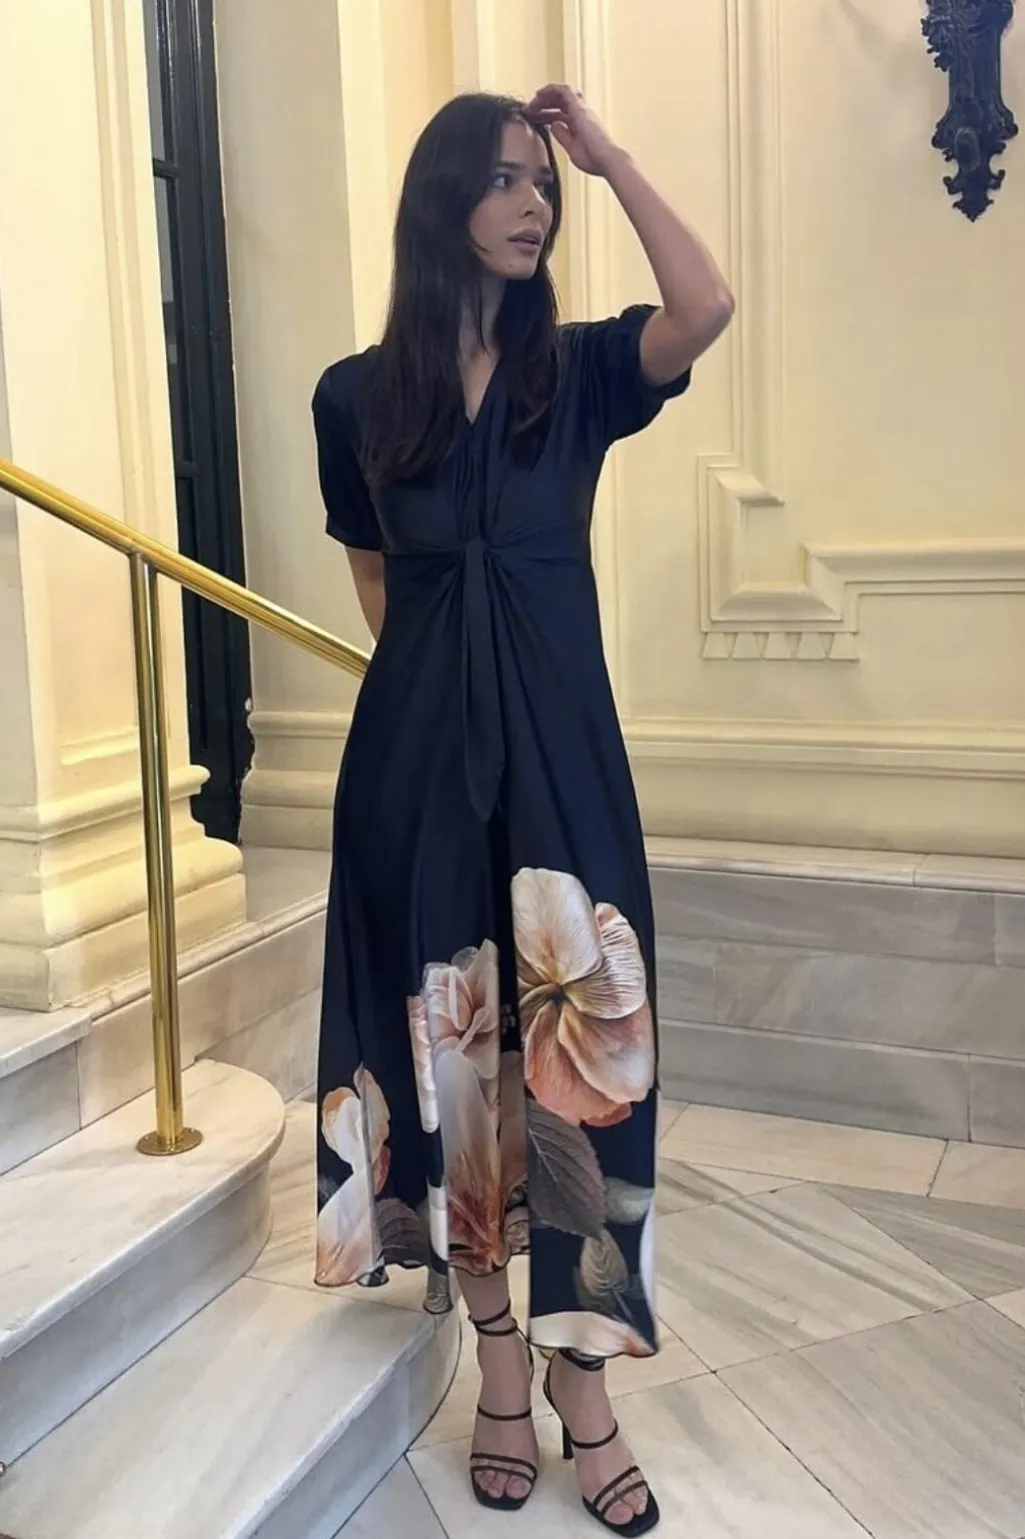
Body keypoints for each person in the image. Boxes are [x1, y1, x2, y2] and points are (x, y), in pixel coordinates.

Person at [311, 86, 733, 1534]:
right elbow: (379, 583)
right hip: (415, 773)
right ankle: (502, 1369)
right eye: (504, 179)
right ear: (442, 201)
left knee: (584, 1066)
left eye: (541, 182)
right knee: (460, 1080)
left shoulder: (583, 370)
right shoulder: (355, 398)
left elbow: (708, 303)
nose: (532, 203)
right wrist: (444, 709)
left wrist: (610, 157)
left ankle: (585, 1380)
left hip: (565, 763)